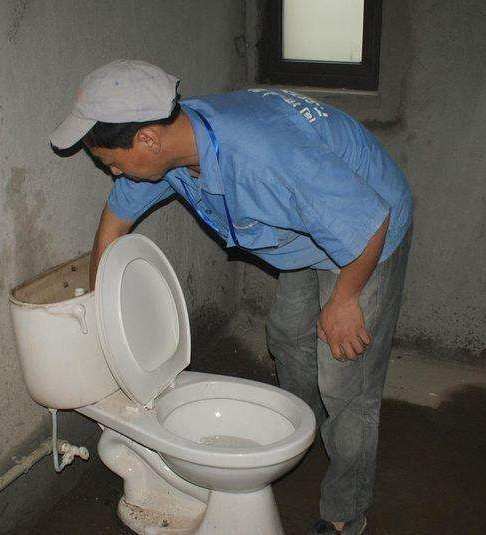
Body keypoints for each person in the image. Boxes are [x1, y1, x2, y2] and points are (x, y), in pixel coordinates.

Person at [50, 59, 412, 535]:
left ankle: (347, 508)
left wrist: (344, 301)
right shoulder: (176, 147)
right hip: (305, 230)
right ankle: (299, 431)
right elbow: (114, 224)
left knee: (345, 377)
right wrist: (101, 312)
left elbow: (369, 222)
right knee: (288, 335)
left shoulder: (264, 158)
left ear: (148, 139)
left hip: (365, 234)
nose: (113, 172)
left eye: (111, 162)